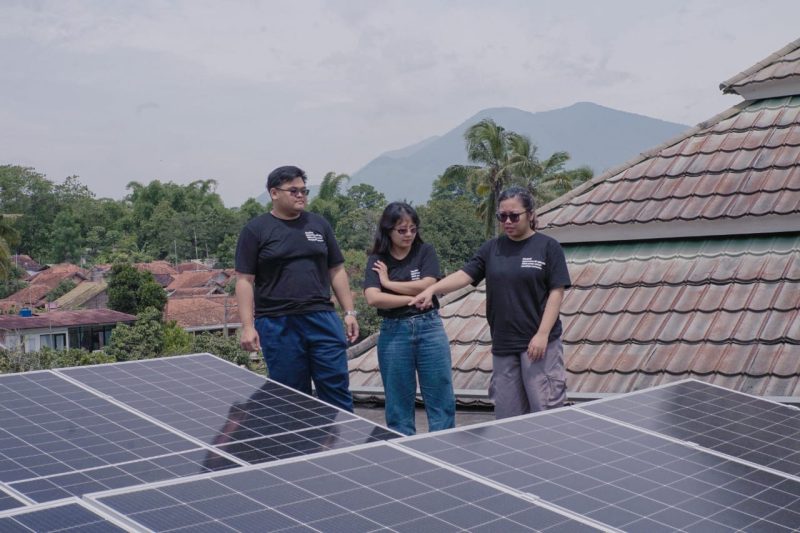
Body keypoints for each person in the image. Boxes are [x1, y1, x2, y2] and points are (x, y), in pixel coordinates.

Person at [410, 187, 570, 419]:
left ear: (531, 214)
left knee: (545, 413)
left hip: (538, 346)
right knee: (507, 418)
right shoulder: (492, 249)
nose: (507, 221)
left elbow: (556, 293)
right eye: (501, 216)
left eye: (514, 216)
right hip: (504, 345)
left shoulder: (548, 247)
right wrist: (433, 288)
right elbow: (465, 275)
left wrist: (543, 334)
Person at [235, 165, 358, 412]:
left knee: (336, 388)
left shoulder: (318, 225)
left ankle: (345, 447)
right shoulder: (256, 230)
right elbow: (244, 281)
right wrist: (248, 327)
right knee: (290, 396)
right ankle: (300, 450)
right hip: (278, 323)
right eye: (293, 190)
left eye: (304, 190)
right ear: (274, 193)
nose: (301, 195)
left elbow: (336, 270)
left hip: (321, 317)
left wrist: (350, 312)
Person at [363, 202, 455, 435]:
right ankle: (404, 454)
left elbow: (428, 284)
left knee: (440, 396)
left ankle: (444, 448)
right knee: (398, 402)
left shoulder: (425, 251)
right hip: (394, 331)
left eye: (413, 229)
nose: (408, 235)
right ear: (388, 230)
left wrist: (389, 284)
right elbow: (373, 298)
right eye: (401, 230)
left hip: (429, 327)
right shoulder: (378, 259)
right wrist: (411, 298)